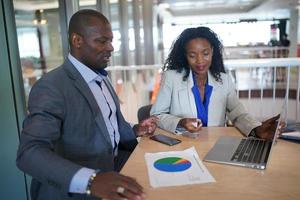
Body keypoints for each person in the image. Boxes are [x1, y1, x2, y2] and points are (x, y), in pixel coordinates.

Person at [16, 9, 157, 200]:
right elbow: (29, 153)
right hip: (81, 189)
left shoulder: (101, 76)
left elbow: (109, 126)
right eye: (101, 41)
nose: (111, 48)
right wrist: (91, 180)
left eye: (111, 40)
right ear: (77, 40)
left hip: (116, 168)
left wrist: (135, 129)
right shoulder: (51, 87)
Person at [150, 26, 279, 139]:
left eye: (205, 54)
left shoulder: (224, 80)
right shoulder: (171, 78)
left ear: (212, 51)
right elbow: (156, 115)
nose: (200, 61)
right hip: (183, 144)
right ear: (185, 55)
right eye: (192, 55)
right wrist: (180, 122)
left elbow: (238, 114)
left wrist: (256, 129)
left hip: (215, 145)